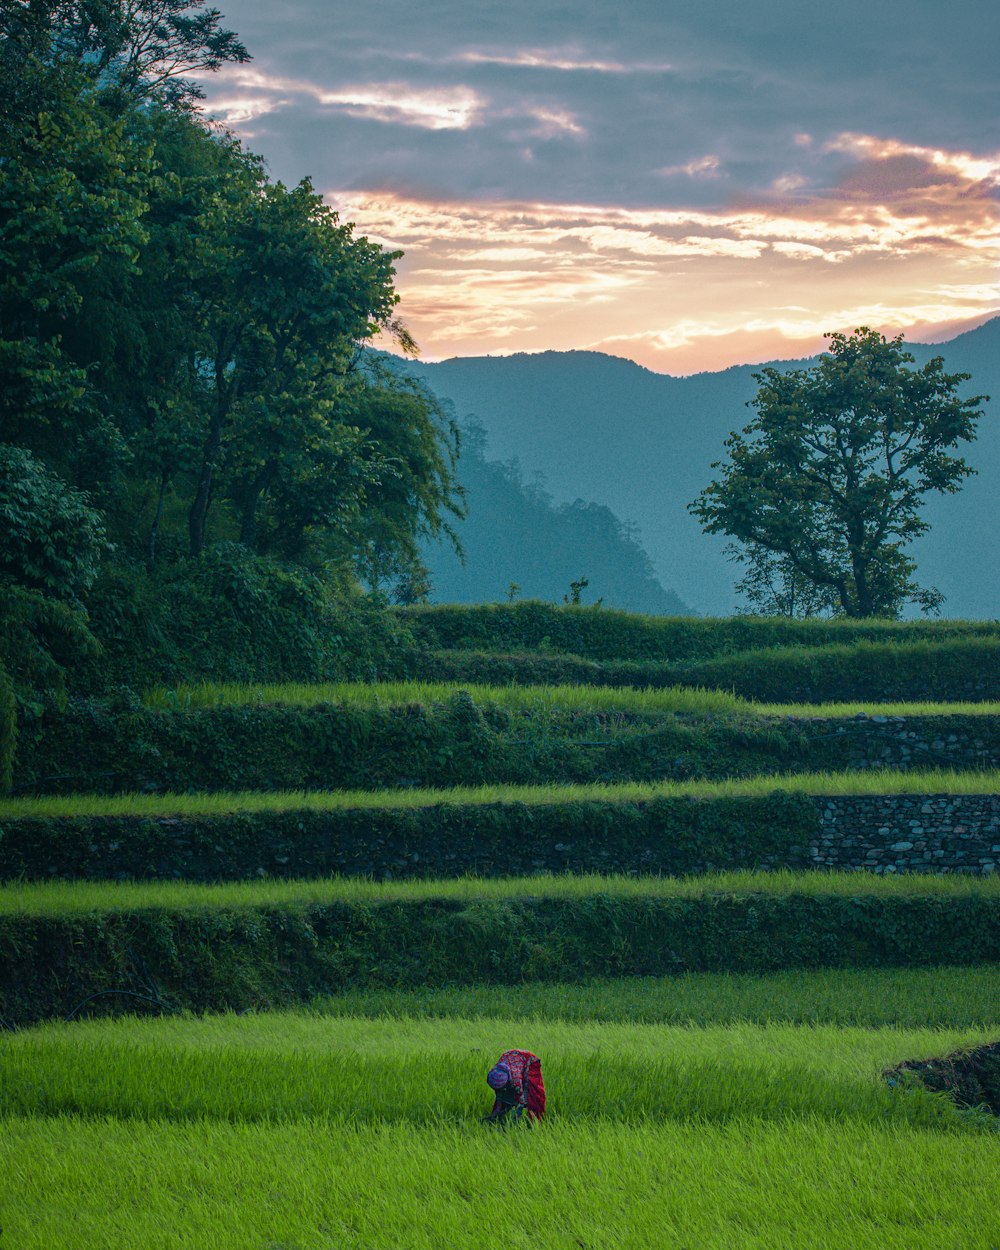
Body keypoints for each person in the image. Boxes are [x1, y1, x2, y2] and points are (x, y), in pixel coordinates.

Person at [483, 1049, 545, 1125]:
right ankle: (498, 1117)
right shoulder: (495, 1073)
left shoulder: (516, 1079)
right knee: (507, 1094)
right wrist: (496, 1111)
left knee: (533, 1093)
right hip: (512, 1058)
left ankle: (536, 1121)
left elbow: (521, 1100)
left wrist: (516, 1117)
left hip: (529, 1061)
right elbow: (499, 1095)